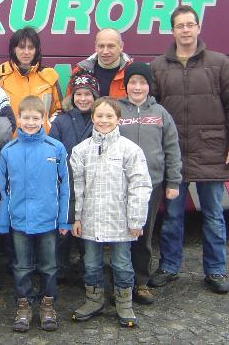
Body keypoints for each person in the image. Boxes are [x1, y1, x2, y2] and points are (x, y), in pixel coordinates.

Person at [148, 5, 229, 294]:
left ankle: (215, 270)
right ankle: (169, 267)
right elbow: (151, 112)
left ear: (198, 27)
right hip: (174, 153)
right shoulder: (158, 66)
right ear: (172, 30)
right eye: (180, 25)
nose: (186, 30)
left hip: (211, 151)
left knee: (213, 215)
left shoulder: (219, 63)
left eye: (190, 24)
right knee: (173, 217)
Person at [70, 97, 152, 328]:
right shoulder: (81, 150)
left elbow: (140, 186)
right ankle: (93, 299)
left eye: (109, 116)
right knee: (92, 263)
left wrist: (136, 219)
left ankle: (124, 302)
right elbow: (77, 187)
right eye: (99, 116)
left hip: (121, 221)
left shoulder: (130, 150)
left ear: (118, 119)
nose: (104, 120)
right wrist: (76, 218)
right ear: (92, 118)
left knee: (122, 263)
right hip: (90, 220)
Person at [0, 96, 70, 332]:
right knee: (21, 267)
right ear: (18, 118)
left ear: (44, 119)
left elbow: (64, 188)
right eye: (26, 117)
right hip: (19, 222)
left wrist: (64, 220)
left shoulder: (56, 148)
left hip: (48, 222)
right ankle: (24, 306)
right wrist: (3, 222)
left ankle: (48, 306)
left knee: (49, 266)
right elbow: (4, 189)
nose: (30, 122)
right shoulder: (9, 151)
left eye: (35, 118)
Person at [117, 62, 182, 305]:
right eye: (132, 82)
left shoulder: (160, 113)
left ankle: (141, 283)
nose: (137, 87)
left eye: (142, 82)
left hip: (151, 186)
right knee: (119, 236)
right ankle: (121, 283)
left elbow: (172, 149)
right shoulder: (116, 110)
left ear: (149, 86)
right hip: (120, 185)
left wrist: (173, 181)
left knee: (143, 236)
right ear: (126, 86)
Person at [48, 72, 101, 283]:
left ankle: (88, 272)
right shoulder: (61, 121)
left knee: (87, 231)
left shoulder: (100, 119)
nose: (83, 99)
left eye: (88, 94)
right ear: (72, 96)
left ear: (95, 96)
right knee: (63, 231)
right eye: (78, 94)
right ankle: (60, 270)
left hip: (92, 185)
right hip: (65, 185)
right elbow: (52, 150)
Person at [0, 27, 62, 133]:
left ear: (36, 50)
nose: (26, 52)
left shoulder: (49, 77)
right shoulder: (0, 78)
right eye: (21, 47)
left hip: (43, 142)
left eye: (31, 47)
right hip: (11, 143)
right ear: (13, 49)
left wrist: (49, 129)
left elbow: (59, 111)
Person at [67, 28, 132, 98]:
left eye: (111, 46)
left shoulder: (132, 72)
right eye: (101, 46)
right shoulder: (80, 71)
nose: (105, 52)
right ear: (95, 46)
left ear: (121, 46)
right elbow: (69, 105)